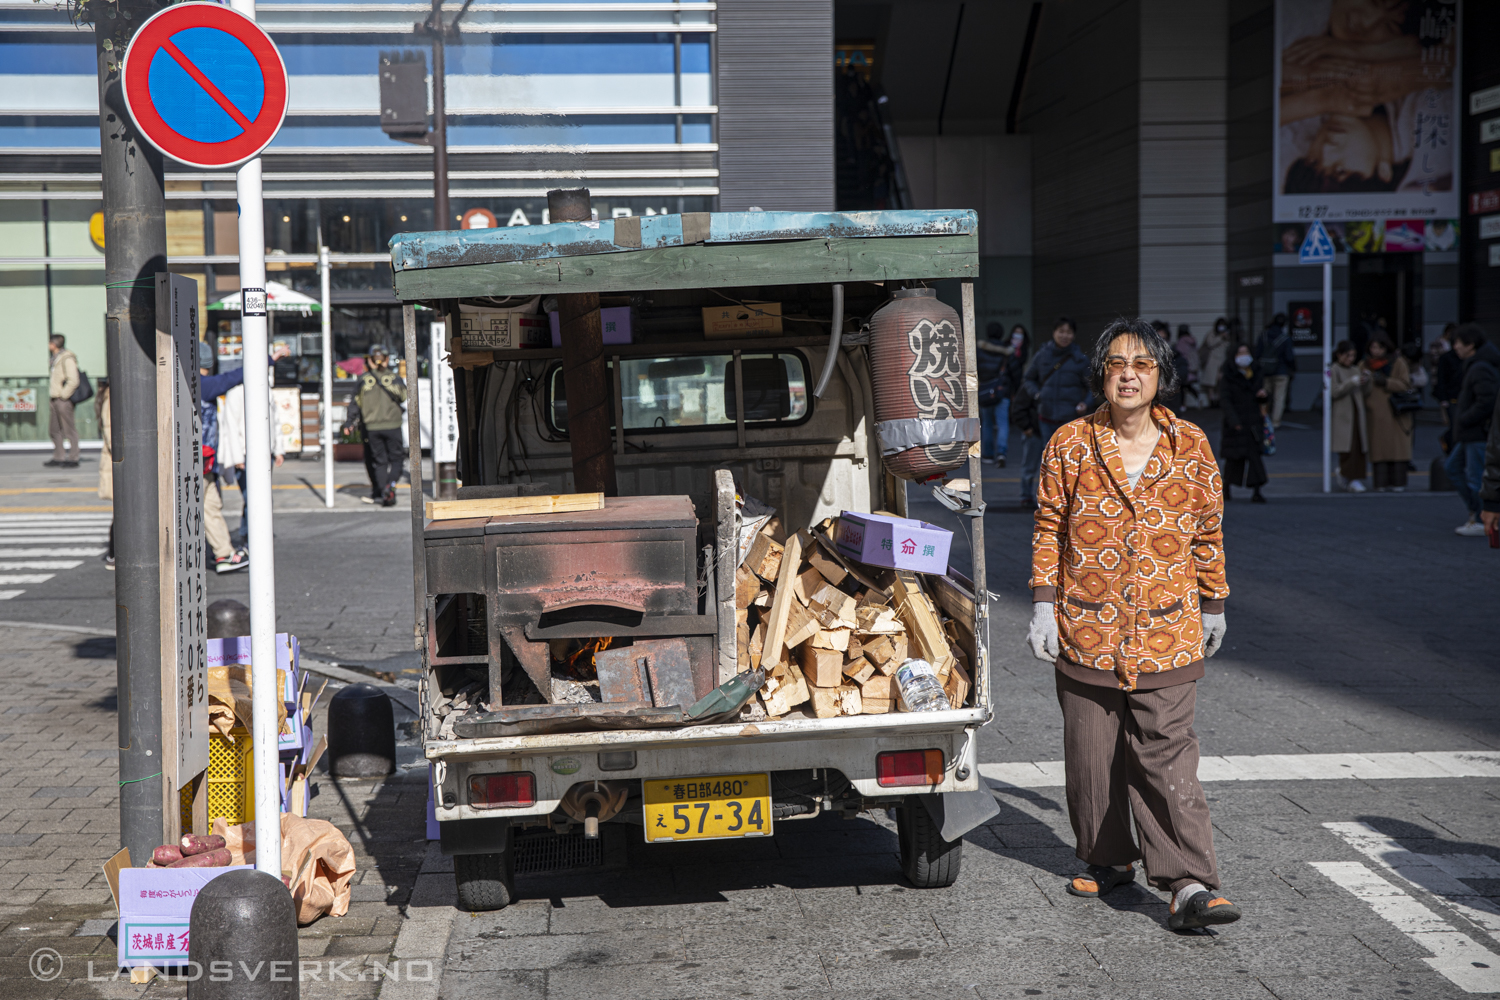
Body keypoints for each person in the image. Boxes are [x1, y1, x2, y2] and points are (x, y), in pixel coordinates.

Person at [1026, 318, 1238, 933]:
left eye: (1142, 365)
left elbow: (1207, 530)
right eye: (1117, 362)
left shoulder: (1191, 444)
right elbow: (1048, 527)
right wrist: (1043, 603)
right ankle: (1108, 857)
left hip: (1167, 627)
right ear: (1102, 373)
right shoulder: (1069, 442)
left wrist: (1214, 603)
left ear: (1160, 377)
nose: (1127, 373)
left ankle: (1188, 882)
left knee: (1167, 754)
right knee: (1091, 759)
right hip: (1086, 626)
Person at [1019, 317, 1091, 506]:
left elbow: (1094, 387)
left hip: (1071, 420)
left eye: (1068, 332)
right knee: (1048, 459)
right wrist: (1037, 395)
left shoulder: (1080, 359)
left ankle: (1066, 499)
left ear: (1073, 335)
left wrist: (1086, 402)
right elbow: (1028, 379)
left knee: (1069, 460)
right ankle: (1047, 498)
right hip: (1045, 417)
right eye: (1061, 331)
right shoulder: (1042, 355)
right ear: (1054, 332)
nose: (1064, 335)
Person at [199, 340, 250, 574]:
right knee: (209, 505)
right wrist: (268, 359)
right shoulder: (203, 385)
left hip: (201, 462)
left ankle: (223, 553)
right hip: (199, 462)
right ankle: (222, 554)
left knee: (210, 504)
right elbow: (233, 377)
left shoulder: (184, 384)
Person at [1446, 326, 1499, 536]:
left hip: (1476, 432)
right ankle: (1476, 512)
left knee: (1475, 476)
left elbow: (1487, 401)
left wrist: (1464, 419)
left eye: (1458, 342)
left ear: (1471, 345)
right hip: (1472, 432)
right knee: (1453, 468)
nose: (1455, 347)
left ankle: (1480, 517)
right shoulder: (1477, 365)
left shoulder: (1480, 368)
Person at [350, 344, 408, 507]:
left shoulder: (363, 379)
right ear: (387, 359)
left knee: (379, 461)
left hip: (372, 427)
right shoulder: (393, 377)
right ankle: (390, 486)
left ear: (369, 360)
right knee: (397, 459)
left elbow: (355, 402)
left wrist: (349, 422)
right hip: (393, 425)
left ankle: (383, 493)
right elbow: (403, 396)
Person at [1361, 335, 1413, 491]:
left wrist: (1386, 382)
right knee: (1379, 449)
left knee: (1397, 449)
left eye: (1379, 348)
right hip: (1374, 412)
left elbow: (1405, 384)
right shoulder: (1364, 365)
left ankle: (1398, 482)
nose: (1375, 351)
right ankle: (1381, 482)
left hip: (1395, 411)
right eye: (1373, 347)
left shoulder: (1397, 362)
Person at [1219, 344, 1268, 503]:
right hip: (1236, 421)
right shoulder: (1228, 375)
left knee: (1254, 456)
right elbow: (1225, 401)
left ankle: (1256, 490)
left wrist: (1264, 396)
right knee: (1234, 457)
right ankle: (1226, 487)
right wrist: (1233, 421)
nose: (1244, 356)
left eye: (1246, 352)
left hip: (1253, 420)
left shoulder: (1256, 373)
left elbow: (1264, 396)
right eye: (1240, 353)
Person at [1329, 341, 1370, 492]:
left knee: (1359, 447)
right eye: (1348, 355)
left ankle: (1355, 477)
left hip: (1357, 412)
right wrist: (1351, 383)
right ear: (1339, 355)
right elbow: (1334, 391)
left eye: (1353, 356)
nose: (1351, 359)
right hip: (1344, 414)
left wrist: (1366, 380)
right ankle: (1348, 475)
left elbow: (1365, 392)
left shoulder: (1355, 369)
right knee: (1348, 447)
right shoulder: (1334, 369)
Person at [46, 334, 81, 468]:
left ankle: (73, 457)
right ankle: (59, 456)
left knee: (69, 430)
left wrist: (63, 395)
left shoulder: (67, 358)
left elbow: (74, 380)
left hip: (63, 400)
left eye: (49, 343)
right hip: (55, 398)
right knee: (54, 429)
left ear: (54, 344)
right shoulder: (55, 358)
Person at [1255, 314, 1297, 427]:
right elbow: (1289, 357)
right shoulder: (1285, 338)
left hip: (1265, 371)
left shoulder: (1263, 336)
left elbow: (1257, 353)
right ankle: (1275, 422)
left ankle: (1263, 418)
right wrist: (1292, 369)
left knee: (1264, 395)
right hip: (1281, 371)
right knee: (1279, 398)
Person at [1151, 320, 1189, 414]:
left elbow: (1181, 376)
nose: (1160, 344)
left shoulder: (1176, 357)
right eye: (1156, 340)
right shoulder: (1140, 359)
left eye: (1163, 339)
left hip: (1170, 408)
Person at [96, 378, 114, 569]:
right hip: (116, 465)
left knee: (123, 513)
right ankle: (114, 553)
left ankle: (115, 553)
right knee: (124, 514)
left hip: (116, 464)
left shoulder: (110, 397)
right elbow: (112, 434)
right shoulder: (112, 400)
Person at [1198, 318, 1232, 406]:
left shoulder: (1228, 335)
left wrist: (1227, 338)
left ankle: (1219, 399)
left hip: (1222, 361)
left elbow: (1228, 346)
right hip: (1212, 361)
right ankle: (1212, 401)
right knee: (1211, 383)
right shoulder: (1212, 334)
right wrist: (1220, 337)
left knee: (1220, 382)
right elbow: (1210, 343)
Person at [1176, 325, 1205, 409]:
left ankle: (1182, 405)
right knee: (1186, 386)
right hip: (1193, 367)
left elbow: (1180, 354)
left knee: (1182, 386)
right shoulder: (1192, 341)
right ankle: (1198, 397)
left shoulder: (1181, 342)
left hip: (1185, 367)